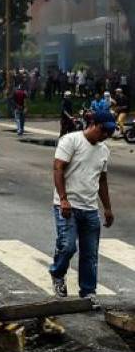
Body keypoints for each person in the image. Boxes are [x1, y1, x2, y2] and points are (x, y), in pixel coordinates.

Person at [49, 111, 115, 304]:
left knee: (90, 253)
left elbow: (102, 180)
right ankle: (57, 273)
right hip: (67, 205)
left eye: (110, 133)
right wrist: (63, 199)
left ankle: (88, 292)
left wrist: (107, 208)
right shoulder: (71, 141)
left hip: (90, 208)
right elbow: (58, 168)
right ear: (93, 124)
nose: (105, 135)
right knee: (68, 246)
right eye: (103, 130)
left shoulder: (104, 150)